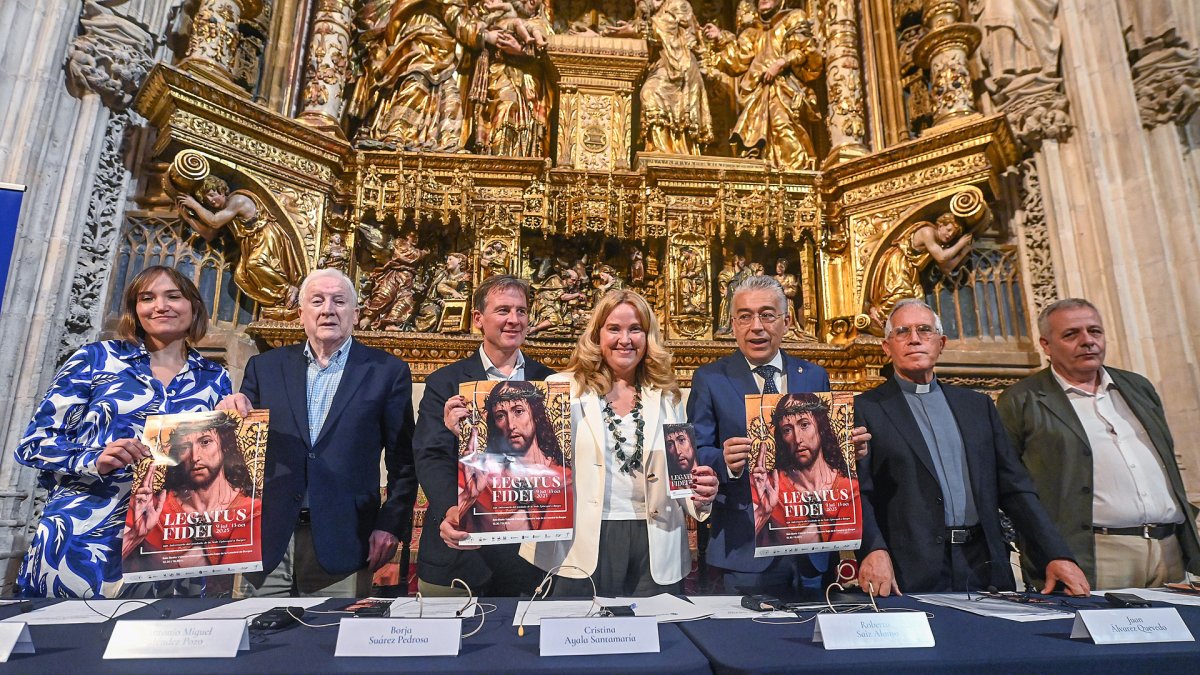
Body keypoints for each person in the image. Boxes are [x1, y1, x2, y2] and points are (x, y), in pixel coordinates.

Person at [14, 266, 232, 598]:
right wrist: (93, 458)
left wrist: (237, 422)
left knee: (157, 646)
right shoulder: (96, 359)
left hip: (168, 543)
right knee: (64, 643)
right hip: (82, 534)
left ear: (194, 306)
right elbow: (33, 444)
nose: (160, 306)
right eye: (147, 298)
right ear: (135, 310)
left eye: (173, 296)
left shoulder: (215, 378)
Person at [856, 299, 1090, 596]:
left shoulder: (976, 406)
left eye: (924, 330)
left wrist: (1056, 553)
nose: (914, 339)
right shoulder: (865, 409)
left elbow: (1015, 488)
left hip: (984, 563)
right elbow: (858, 492)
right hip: (908, 569)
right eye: (902, 332)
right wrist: (872, 550)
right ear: (886, 347)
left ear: (941, 343)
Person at [219, 269, 417, 596]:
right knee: (262, 641)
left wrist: (389, 524)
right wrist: (228, 417)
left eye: (339, 301)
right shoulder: (265, 368)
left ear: (355, 314)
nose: (328, 309)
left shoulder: (387, 372)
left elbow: (404, 462)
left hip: (347, 538)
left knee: (332, 639)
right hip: (268, 538)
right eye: (317, 301)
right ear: (301, 314)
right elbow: (239, 454)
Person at [519, 290, 718, 596]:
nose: (625, 339)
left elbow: (682, 473)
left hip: (655, 537)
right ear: (597, 335)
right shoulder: (560, 389)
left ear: (648, 336)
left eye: (635, 329)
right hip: (582, 537)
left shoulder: (667, 396)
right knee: (579, 637)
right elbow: (532, 461)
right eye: (614, 329)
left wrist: (701, 494)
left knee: (657, 639)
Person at [998, 298, 1200, 589]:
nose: (1087, 341)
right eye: (1071, 334)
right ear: (1046, 344)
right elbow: (1012, 486)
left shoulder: (1137, 387)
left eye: (1095, 331)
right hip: (1096, 553)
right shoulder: (1022, 399)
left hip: (1169, 548)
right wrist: (1051, 551)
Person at [688, 275, 869, 596]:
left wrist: (847, 452)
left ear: (786, 322)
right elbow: (695, 452)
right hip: (746, 549)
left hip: (811, 549)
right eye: (744, 316)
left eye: (767, 315)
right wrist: (725, 461)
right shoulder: (711, 379)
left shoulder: (814, 375)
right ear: (732, 324)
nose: (756, 326)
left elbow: (826, 451)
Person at [415, 275, 553, 597]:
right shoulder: (445, 382)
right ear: (478, 319)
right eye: (503, 310)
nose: (514, 319)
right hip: (461, 551)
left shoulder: (549, 382)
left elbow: (556, 453)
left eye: (521, 311)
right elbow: (430, 454)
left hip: (530, 555)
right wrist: (453, 509)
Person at [123, 411, 262, 572]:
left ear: (225, 446)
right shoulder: (149, 508)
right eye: (184, 447)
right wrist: (135, 536)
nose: (195, 456)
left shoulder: (252, 511)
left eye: (205, 442)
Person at [176, 176, 303, 314]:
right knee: (241, 276)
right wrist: (188, 218)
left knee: (255, 263)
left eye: (212, 195)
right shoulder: (224, 212)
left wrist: (194, 204)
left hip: (265, 235)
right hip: (251, 242)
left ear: (222, 190)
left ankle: (289, 289)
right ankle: (280, 300)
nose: (211, 201)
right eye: (207, 200)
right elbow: (209, 234)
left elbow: (214, 221)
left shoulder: (237, 200)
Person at [457, 380, 572, 533]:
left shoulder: (565, 475)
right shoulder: (477, 473)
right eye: (500, 416)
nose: (511, 425)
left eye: (518, 411)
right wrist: (469, 497)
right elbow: (452, 528)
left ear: (535, 413)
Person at [750, 393, 856, 547]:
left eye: (804, 424)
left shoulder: (849, 487)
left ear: (821, 426)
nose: (797, 438)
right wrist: (763, 513)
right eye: (787, 430)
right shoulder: (766, 486)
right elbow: (739, 544)